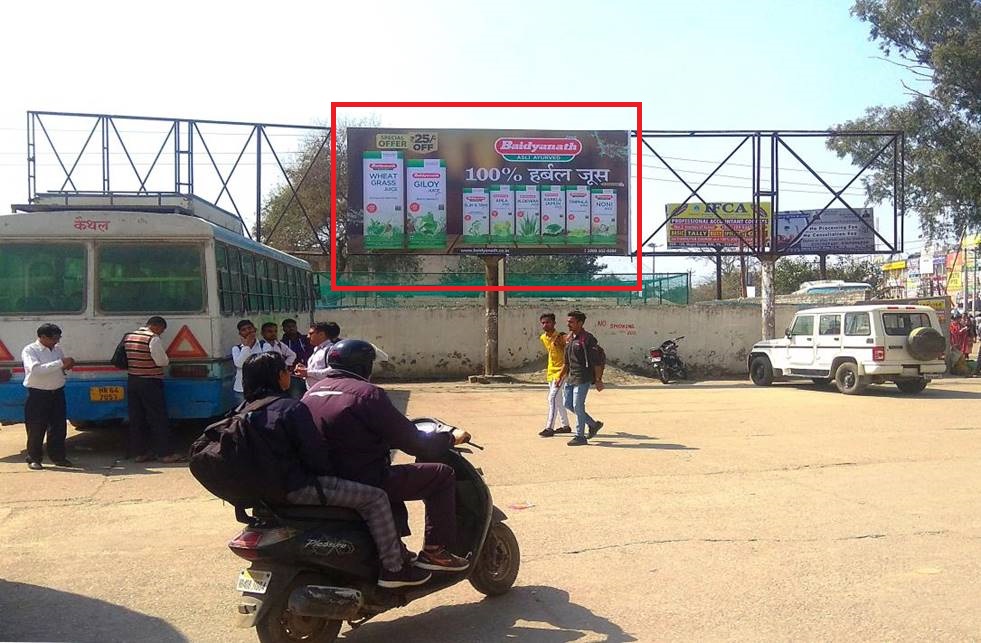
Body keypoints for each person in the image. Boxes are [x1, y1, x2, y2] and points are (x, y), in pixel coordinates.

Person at [239, 352, 430, 588]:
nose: (289, 374)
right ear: (279, 376)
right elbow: (314, 453)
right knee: (376, 497)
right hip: (297, 487)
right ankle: (394, 569)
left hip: (262, 493)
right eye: (286, 371)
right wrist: (331, 472)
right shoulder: (290, 408)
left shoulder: (241, 413)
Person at [303, 339, 472, 572]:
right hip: (362, 477)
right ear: (365, 367)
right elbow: (413, 442)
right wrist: (451, 438)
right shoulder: (367, 394)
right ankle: (436, 551)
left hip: (326, 478)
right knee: (441, 475)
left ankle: (396, 547)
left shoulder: (312, 392)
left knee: (396, 475)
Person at [125, 316, 184, 463]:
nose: (161, 333)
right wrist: (166, 358)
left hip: (133, 380)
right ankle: (165, 453)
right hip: (150, 382)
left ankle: (139, 453)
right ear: (157, 327)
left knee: (137, 418)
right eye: (162, 330)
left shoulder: (129, 337)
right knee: (158, 418)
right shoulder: (153, 338)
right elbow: (161, 361)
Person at [21, 323, 75, 470]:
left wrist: (66, 365)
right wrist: (59, 363)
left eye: (58, 338)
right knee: (36, 427)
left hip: (57, 392)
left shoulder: (57, 349)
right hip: (38, 393)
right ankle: (34, 458)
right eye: (54, 338)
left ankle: (58, 457)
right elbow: (36, 370)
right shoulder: (31, 350)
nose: (57, 341)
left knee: (58, 427)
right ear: (43, 337)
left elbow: (59, 367)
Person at [560, 310, 605, 446]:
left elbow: (597, 361)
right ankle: (592, 424)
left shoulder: (588, 339)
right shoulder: (569, 338)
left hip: (583, 377)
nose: (568, 324)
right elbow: (566, 361)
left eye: (571, 322)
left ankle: (580, 436)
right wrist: (561, 376)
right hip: (571, 377)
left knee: (578, 405)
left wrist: (598, 379)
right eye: (568, 322)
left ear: (580, 323)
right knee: (568, 404)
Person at [537, 313, 572, 438]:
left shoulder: (560, 336)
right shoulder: (543, 338)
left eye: (548, 322)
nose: (546, 325)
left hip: (561, 372)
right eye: (543, 323)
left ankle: (549, 428)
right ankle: (565, 426)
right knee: (558, 400)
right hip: (551, 372)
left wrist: (566, 339)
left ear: (554, 323)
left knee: (552, 398)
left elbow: (567, 341)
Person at [294, 321, 334, 390]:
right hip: (312, 392)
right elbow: (317, 370)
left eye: (311, 333)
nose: (308, 336)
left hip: (324, 393)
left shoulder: (331, 350)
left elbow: (332, 372)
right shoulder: (316, 349)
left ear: (321, 334)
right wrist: (304, 370)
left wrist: (307, 372)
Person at [231, 320, 260, 406]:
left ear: (254, 330)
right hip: (241, 389)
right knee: (243, 414)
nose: (247, 331)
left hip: (260, 388)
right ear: (240, 333)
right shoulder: (236, 349)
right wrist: (246, 346)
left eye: (249, 328)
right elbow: (239, 364)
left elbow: (265, 364)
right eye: (244, 330)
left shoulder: (264, 346)